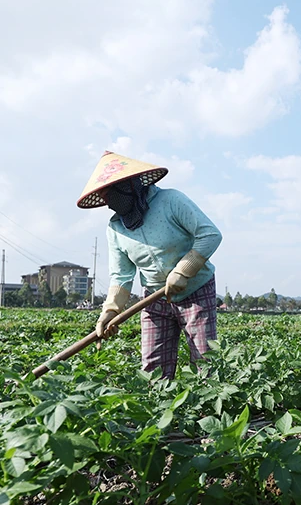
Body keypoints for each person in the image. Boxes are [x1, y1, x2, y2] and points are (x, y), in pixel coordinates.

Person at [77, 151, 222, 377]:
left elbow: (210, 235)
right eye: (107, 196)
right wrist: (110, 311)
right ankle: (159, 407)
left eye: (114, 192)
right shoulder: (116, 228)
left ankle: (208, 408)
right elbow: (121, 276)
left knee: (205, 359)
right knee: (153, 366)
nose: (111, 202)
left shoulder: (171, 201)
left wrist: (184, 270)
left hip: (196, 290)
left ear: (132, 185)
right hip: (155, 297)